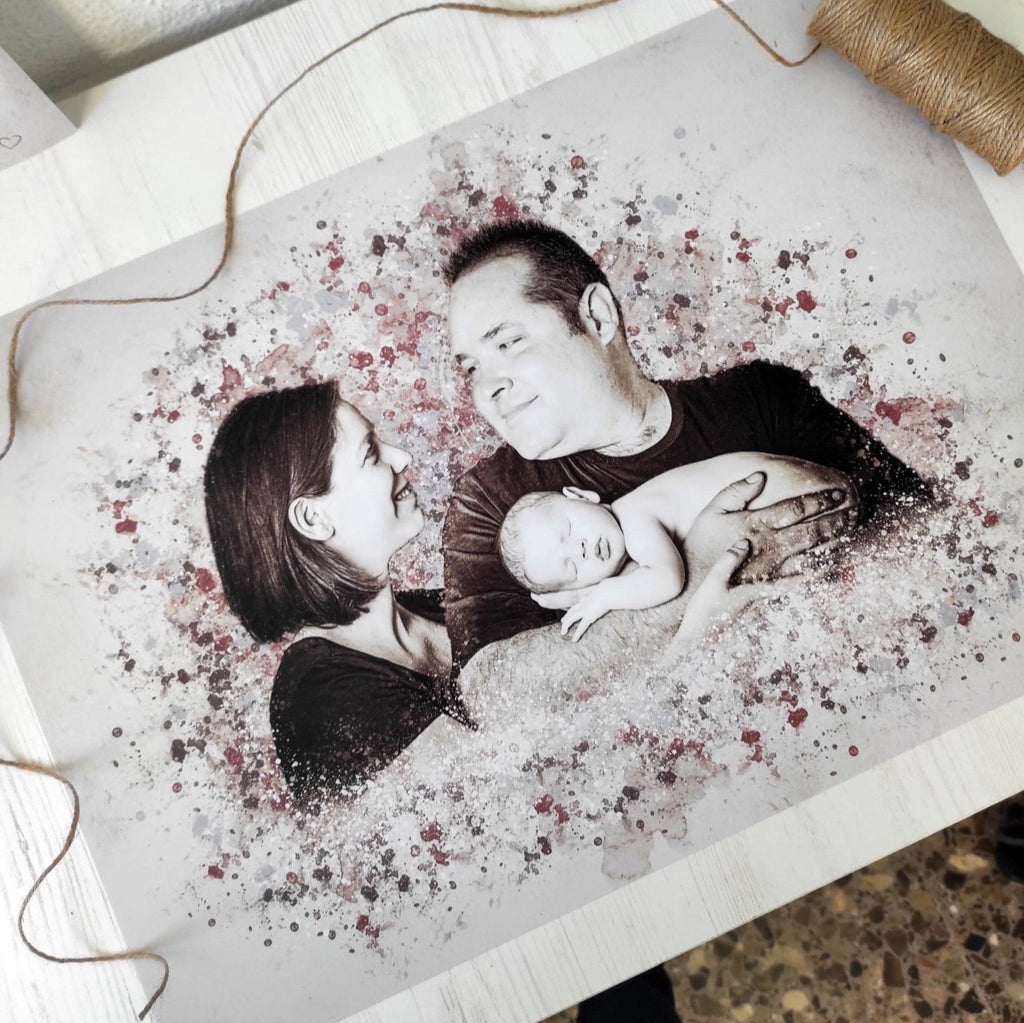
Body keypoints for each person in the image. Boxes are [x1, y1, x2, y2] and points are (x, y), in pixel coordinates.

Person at [442, 219, 932, 671]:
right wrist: (700, 571)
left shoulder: (760, 398)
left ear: (597, 317)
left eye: (508, 343)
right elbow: (493, 696)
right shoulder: (490, 500)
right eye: (472, 367)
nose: (488, 387)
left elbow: (924, 527)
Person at [203, 380, 474, 807]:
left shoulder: (438, 605)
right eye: (371, 453)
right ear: (313, 518)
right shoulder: (322, 696)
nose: (402, 457)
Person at [499, 452, 853, 641]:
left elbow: (667, 580)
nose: (580, 549)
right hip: (813, 489)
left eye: (569, 530)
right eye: (572, 567)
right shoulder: (627, 528)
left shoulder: (633, 516)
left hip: (804, 498)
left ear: (582, 495)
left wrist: (603, 594)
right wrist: (582, 594)